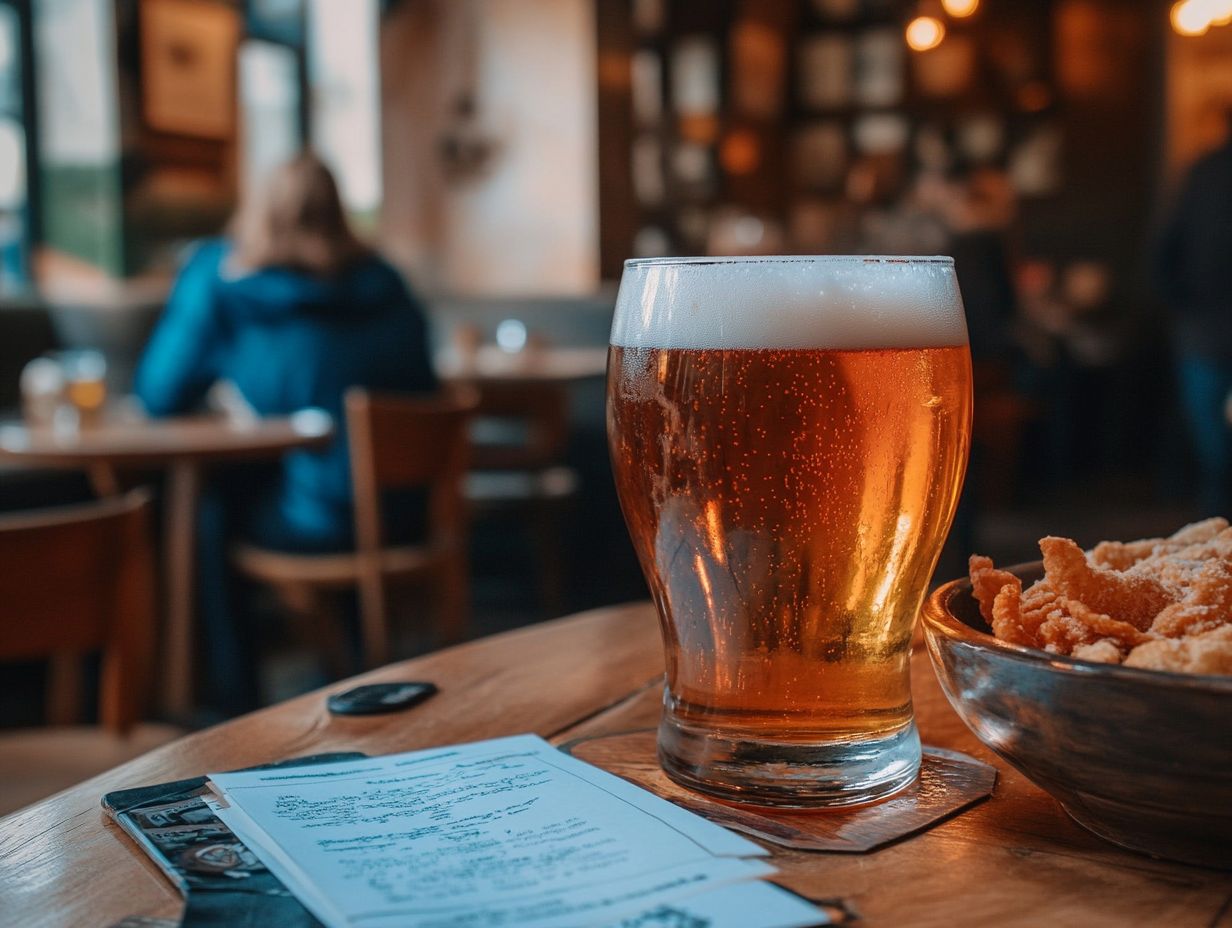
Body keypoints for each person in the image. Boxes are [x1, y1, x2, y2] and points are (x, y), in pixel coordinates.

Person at [135, 153, 438, 714]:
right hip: (409, 514)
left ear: (258, 211)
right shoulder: (386, 281)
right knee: (279, 486)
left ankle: (230, 701)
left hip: (313, 517)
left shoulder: (223, 278)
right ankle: (351, 663)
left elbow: (158, 393)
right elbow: (425, 384)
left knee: (212, 506)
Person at [1156, 120, 1232, 516]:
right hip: (1205, 333)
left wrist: (1183, 309)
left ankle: (1217, 551)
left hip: (1203, 334)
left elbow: (1164, 252)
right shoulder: (1204, 173)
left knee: (1215, 455)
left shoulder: (1202, 172)